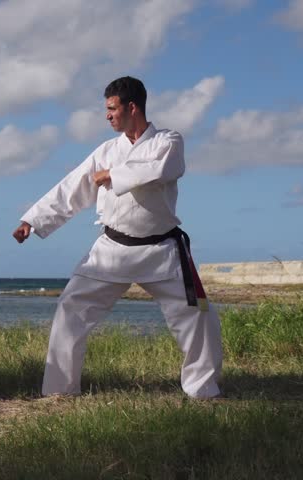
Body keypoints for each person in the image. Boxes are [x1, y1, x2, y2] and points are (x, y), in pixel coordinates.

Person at [12, 76, 222, 399]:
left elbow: (163, 168)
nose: (107, 116)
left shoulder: (168, 141)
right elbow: (74, 187)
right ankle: (60, 392)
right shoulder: (107, 150)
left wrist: (114, 174)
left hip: (162, 250)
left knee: (199, 316)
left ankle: (203, 390)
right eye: (107, 110)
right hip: (111, 250)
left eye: (112, 109)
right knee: (70, 308)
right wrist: (33, 219)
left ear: (132, 107)